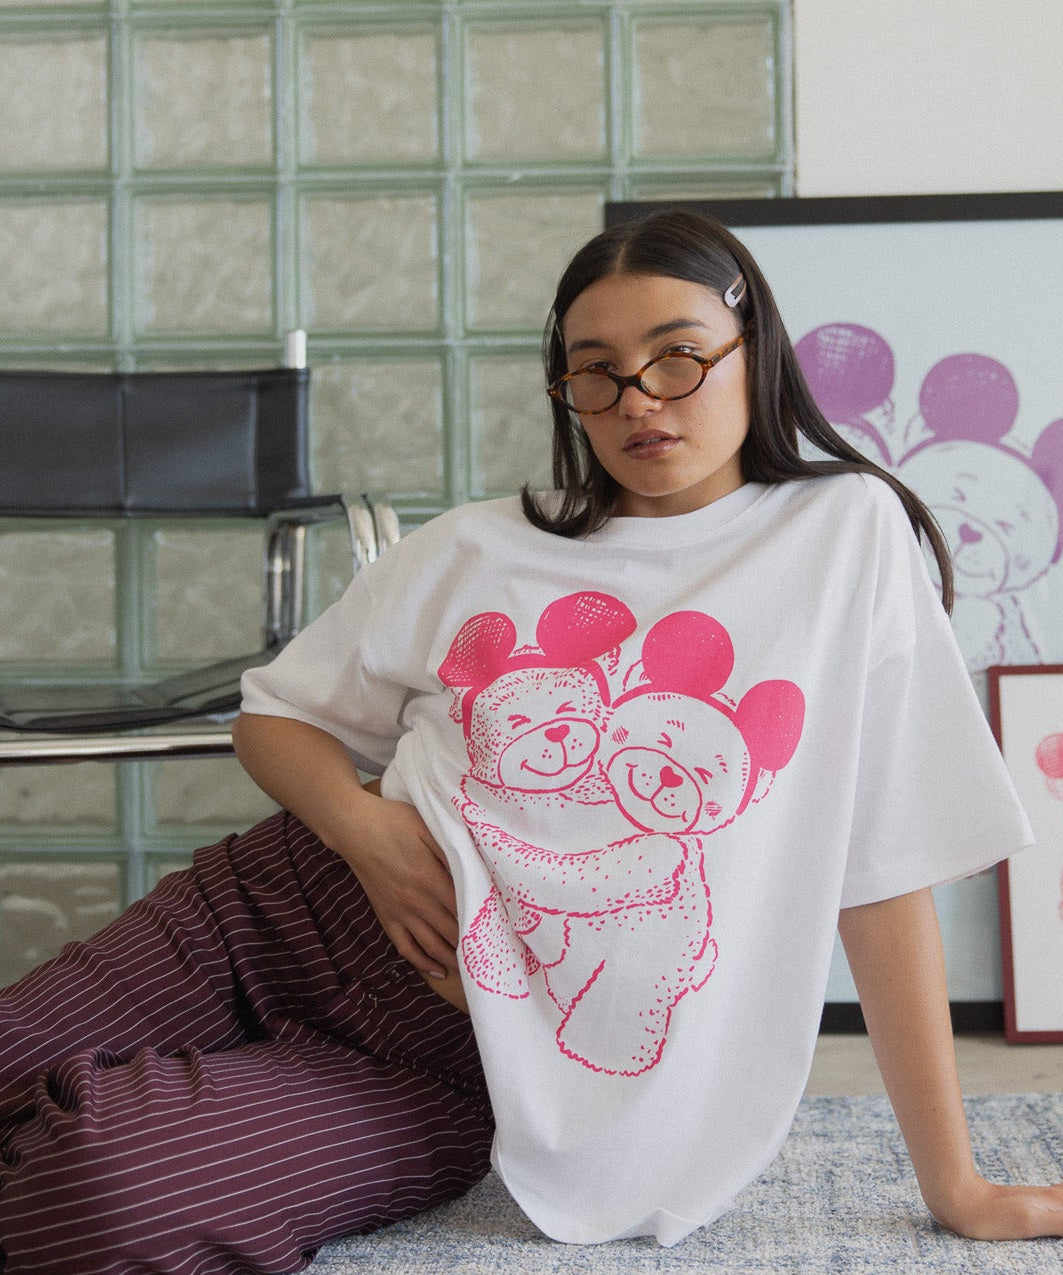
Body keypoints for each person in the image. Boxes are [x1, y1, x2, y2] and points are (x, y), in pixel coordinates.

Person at [1, 210, 1061, 1273]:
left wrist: (955, 1186)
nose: (636, 399)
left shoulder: (845, 538)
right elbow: (277, 719)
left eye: (677, 358)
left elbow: (882, 873)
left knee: (103, 1188)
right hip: (274, 913)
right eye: (594, 372)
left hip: (450, 1063)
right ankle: (119, 1089)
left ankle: (127, 1108)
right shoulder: (478, 543)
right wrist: (368, 836)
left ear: (754, 352)